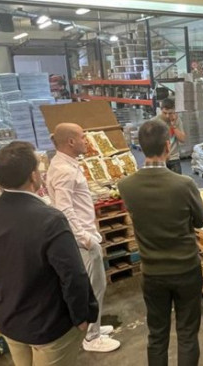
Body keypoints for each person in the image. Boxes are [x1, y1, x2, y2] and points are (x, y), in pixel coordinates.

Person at [0, 141, 98, 366]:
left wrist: (4, 293)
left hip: (9, 318)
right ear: (33, 176)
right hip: (49, 325)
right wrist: (82, 316)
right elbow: (73, 275)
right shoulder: (50, 219)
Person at [117, 119, 203, 366]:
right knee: (187, 334)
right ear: (168, 145)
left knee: (157, 335)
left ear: (139, 145)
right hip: (186, 269)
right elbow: (199, 221)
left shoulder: (126, 186)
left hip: (152, 272)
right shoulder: (184, 184)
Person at [46, 123, 121, 353]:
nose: (86, 140)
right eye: (82, 137)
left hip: (85, 235)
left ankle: (94, 325)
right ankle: (92, 337)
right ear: (70, 142)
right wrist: (84, 238)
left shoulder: (66, 164)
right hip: (82, 241)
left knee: (94, 285)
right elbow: (64, 209)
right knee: (93, 286)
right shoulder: (64, 171)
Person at [148, 98, 187, 174]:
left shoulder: (177, 121)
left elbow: (182, 139)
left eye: (170, 113)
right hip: (160, 159)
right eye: (164, 113)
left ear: (174, 111)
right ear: (161, 110)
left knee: (177, 184)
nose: (167, 116)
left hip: (174, 158)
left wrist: (173, 125)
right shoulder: (153, 122)